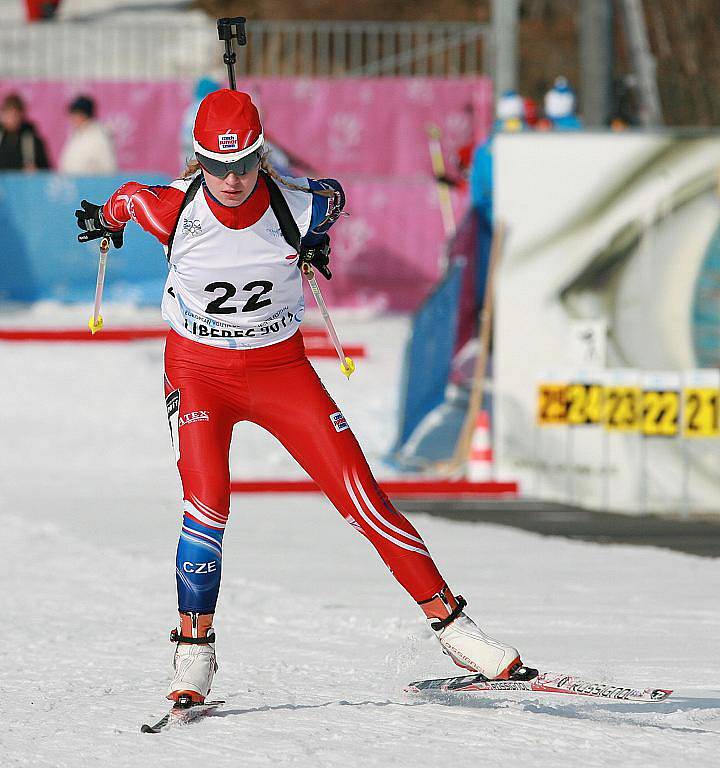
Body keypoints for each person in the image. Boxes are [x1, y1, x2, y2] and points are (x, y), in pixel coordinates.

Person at [74, 89, 528, 705]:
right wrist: (104, 218)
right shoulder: (172, 209)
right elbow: (126, 199)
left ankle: (456, 630)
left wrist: (311, 234)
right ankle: (193, 655)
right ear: (197, 161)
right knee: (206, 505)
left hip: (279, 370)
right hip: (199, 371)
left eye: (244, 165)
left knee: (362, 497)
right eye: (216, 166)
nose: (231, 181)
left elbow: (334, 197)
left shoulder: (299, 205)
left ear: (263, 155)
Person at [58, 95, 117, 174]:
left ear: (84, 115)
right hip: (72, 182)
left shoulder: (99, 136)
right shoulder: (76, 134)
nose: (72, 118)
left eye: (75, 114)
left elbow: (109, 167)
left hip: (92, 183)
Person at [0, 92, 50, 171]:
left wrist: (37, 170)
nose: (11, 119)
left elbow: (47, 171)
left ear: (21, 115)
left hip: (26, 182)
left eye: (15, 115)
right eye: (8, 114)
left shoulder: (33, 140)